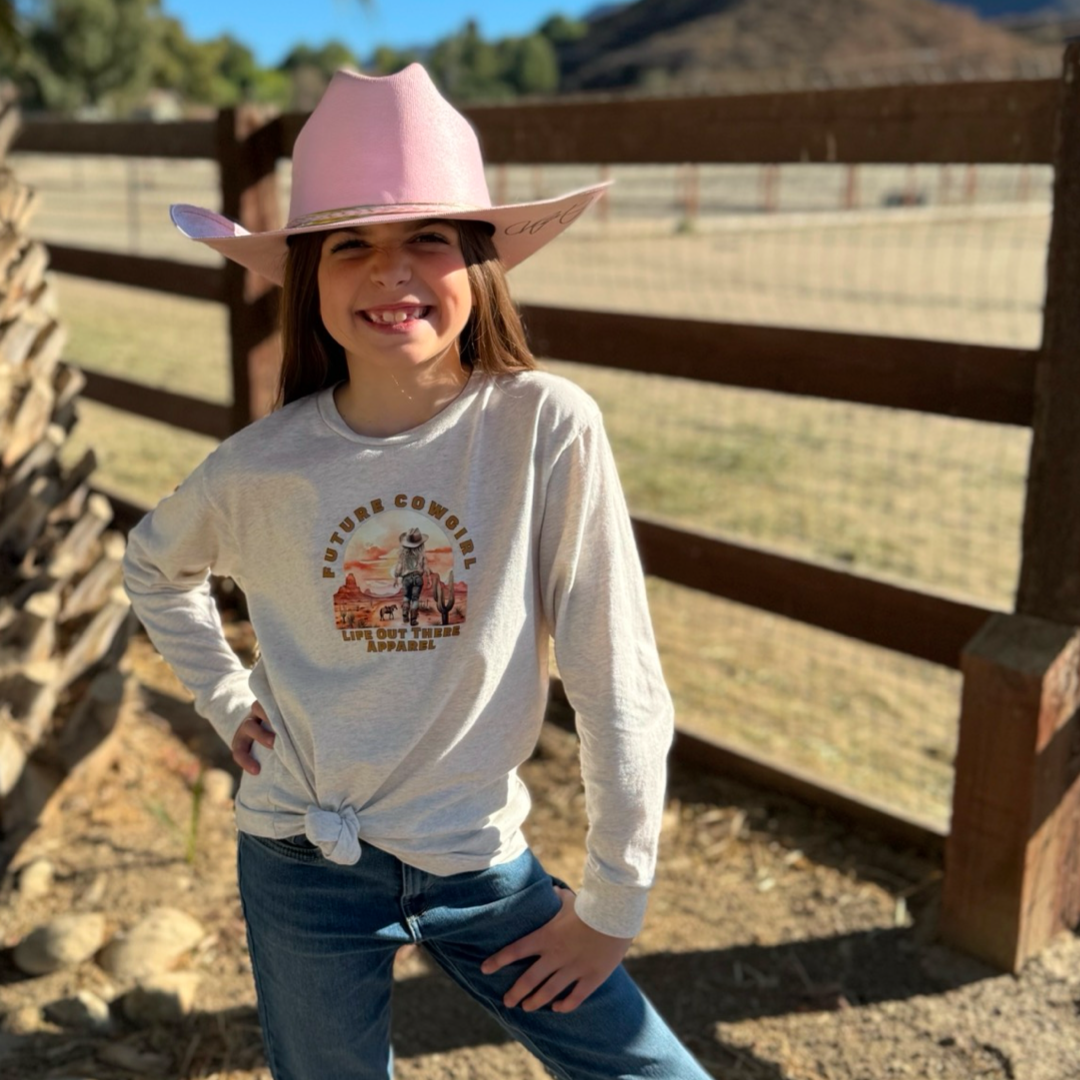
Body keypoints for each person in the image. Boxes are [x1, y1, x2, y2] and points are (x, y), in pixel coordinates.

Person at [122, 64, 712, 1080]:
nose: (390, 273)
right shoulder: (262, 467)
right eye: (351, 244)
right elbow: (151, 567)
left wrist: (610, 907)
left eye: (426, 239)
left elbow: (619, 679)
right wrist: (226, 703)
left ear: (480, 261)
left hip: (475, 859)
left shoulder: (542, 427)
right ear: (308, 275)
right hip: (298, 859)